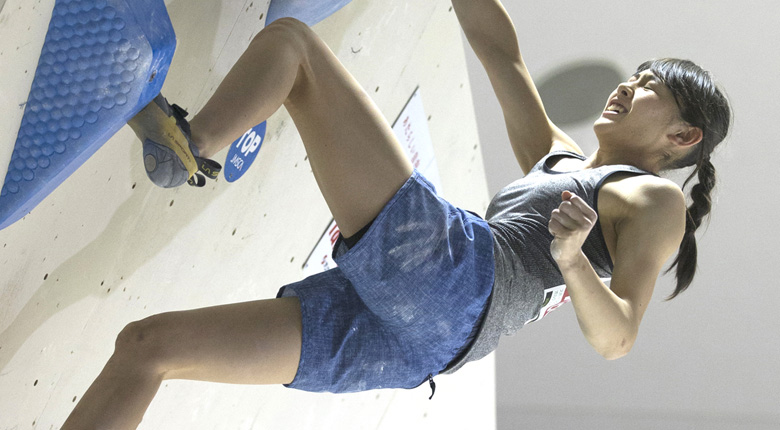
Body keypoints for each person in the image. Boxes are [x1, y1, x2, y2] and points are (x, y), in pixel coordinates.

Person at [62, 1, 731, 428]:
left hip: (459, 283)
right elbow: (502, 54)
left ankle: (190, 145)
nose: (628, 85)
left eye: (652, 89)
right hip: (418, 346)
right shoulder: (560, 160)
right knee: (148, 350)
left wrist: (572, 262)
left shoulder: (655, 200)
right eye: (636, 74)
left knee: (294, 46)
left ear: (681, 139)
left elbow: (617, 337)